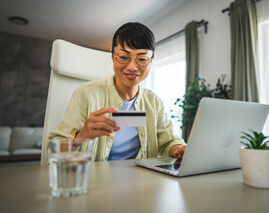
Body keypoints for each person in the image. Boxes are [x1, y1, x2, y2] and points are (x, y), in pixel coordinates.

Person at [48, 22, 187, 161]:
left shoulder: (153, 102)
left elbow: (169, 142)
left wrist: (179, 150)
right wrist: (82, 136)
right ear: (113, 56)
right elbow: (53, 150)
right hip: (95, 179)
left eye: (142, 59)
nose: (132, 67)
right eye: (124, 57)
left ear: (151, 61)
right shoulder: (86, 94)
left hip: (140, 179)